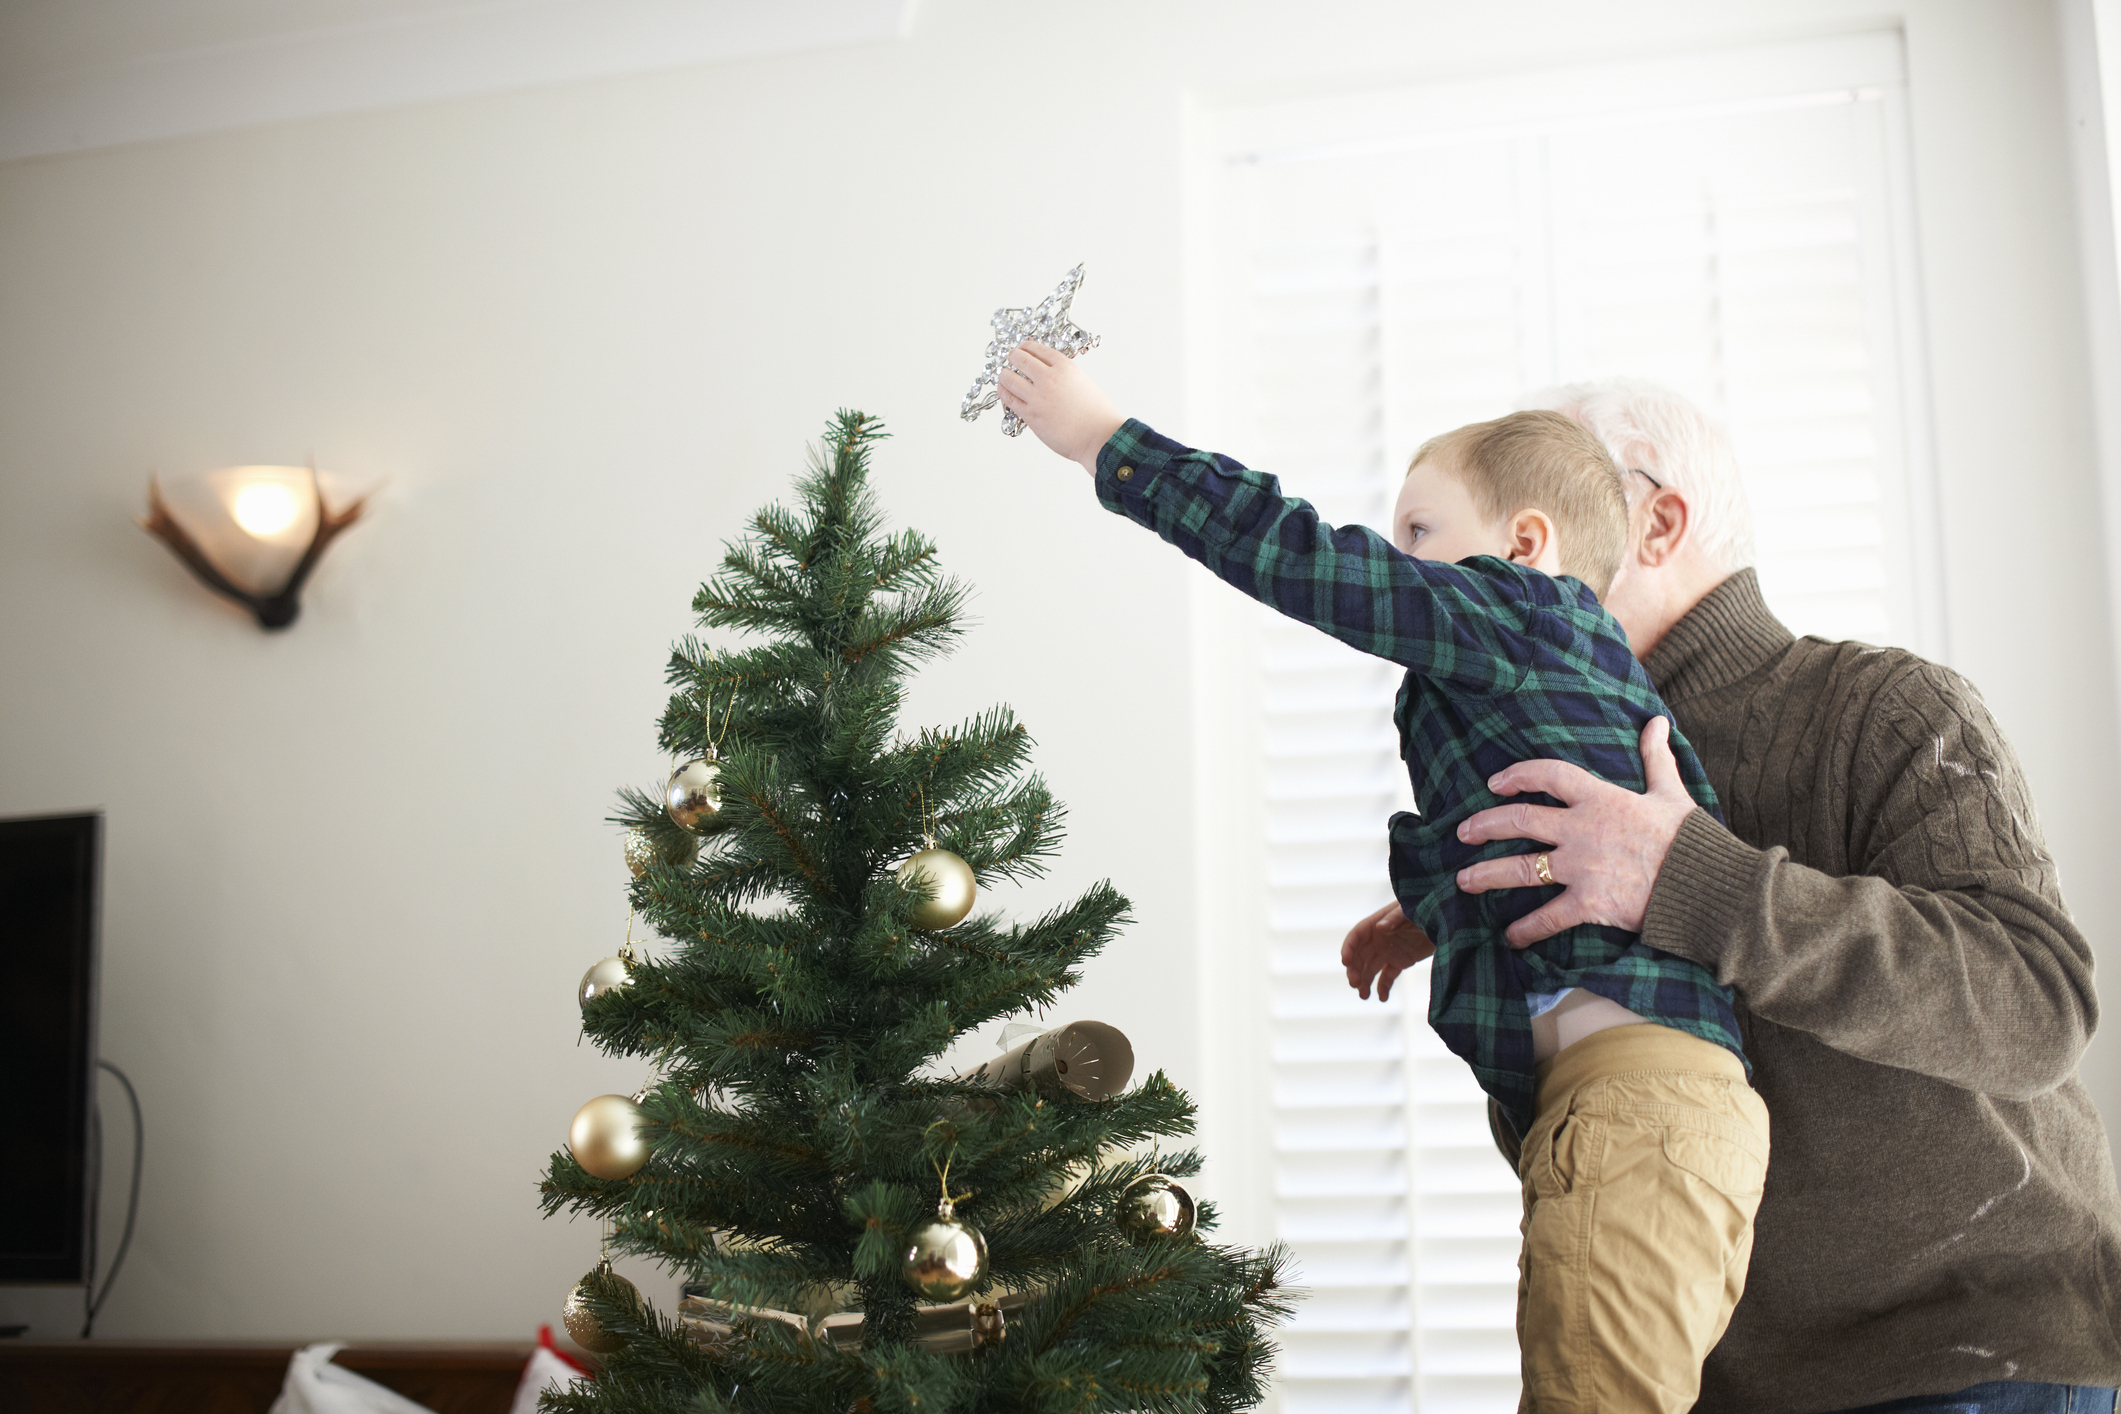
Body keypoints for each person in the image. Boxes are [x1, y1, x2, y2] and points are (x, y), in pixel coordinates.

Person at [998, 342, 1770, 1410]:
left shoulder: (1516, 611)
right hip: (1650, 1115)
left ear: (1524, 545)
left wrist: (1103, 442)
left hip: (1635, 1111)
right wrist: (1428, 911)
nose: (1400, 559)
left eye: (1419, 534)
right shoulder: (1591, 675)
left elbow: (1307, 558)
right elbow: (1571, 846)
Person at [1369, 377, 2121, 1412]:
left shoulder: (1886, 707)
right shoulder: (1539, 780)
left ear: (1660, 520)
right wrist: (1466, 924)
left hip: (1970, 1357)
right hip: (1714, 1380)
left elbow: (2037, 1004)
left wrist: (1683, 877)